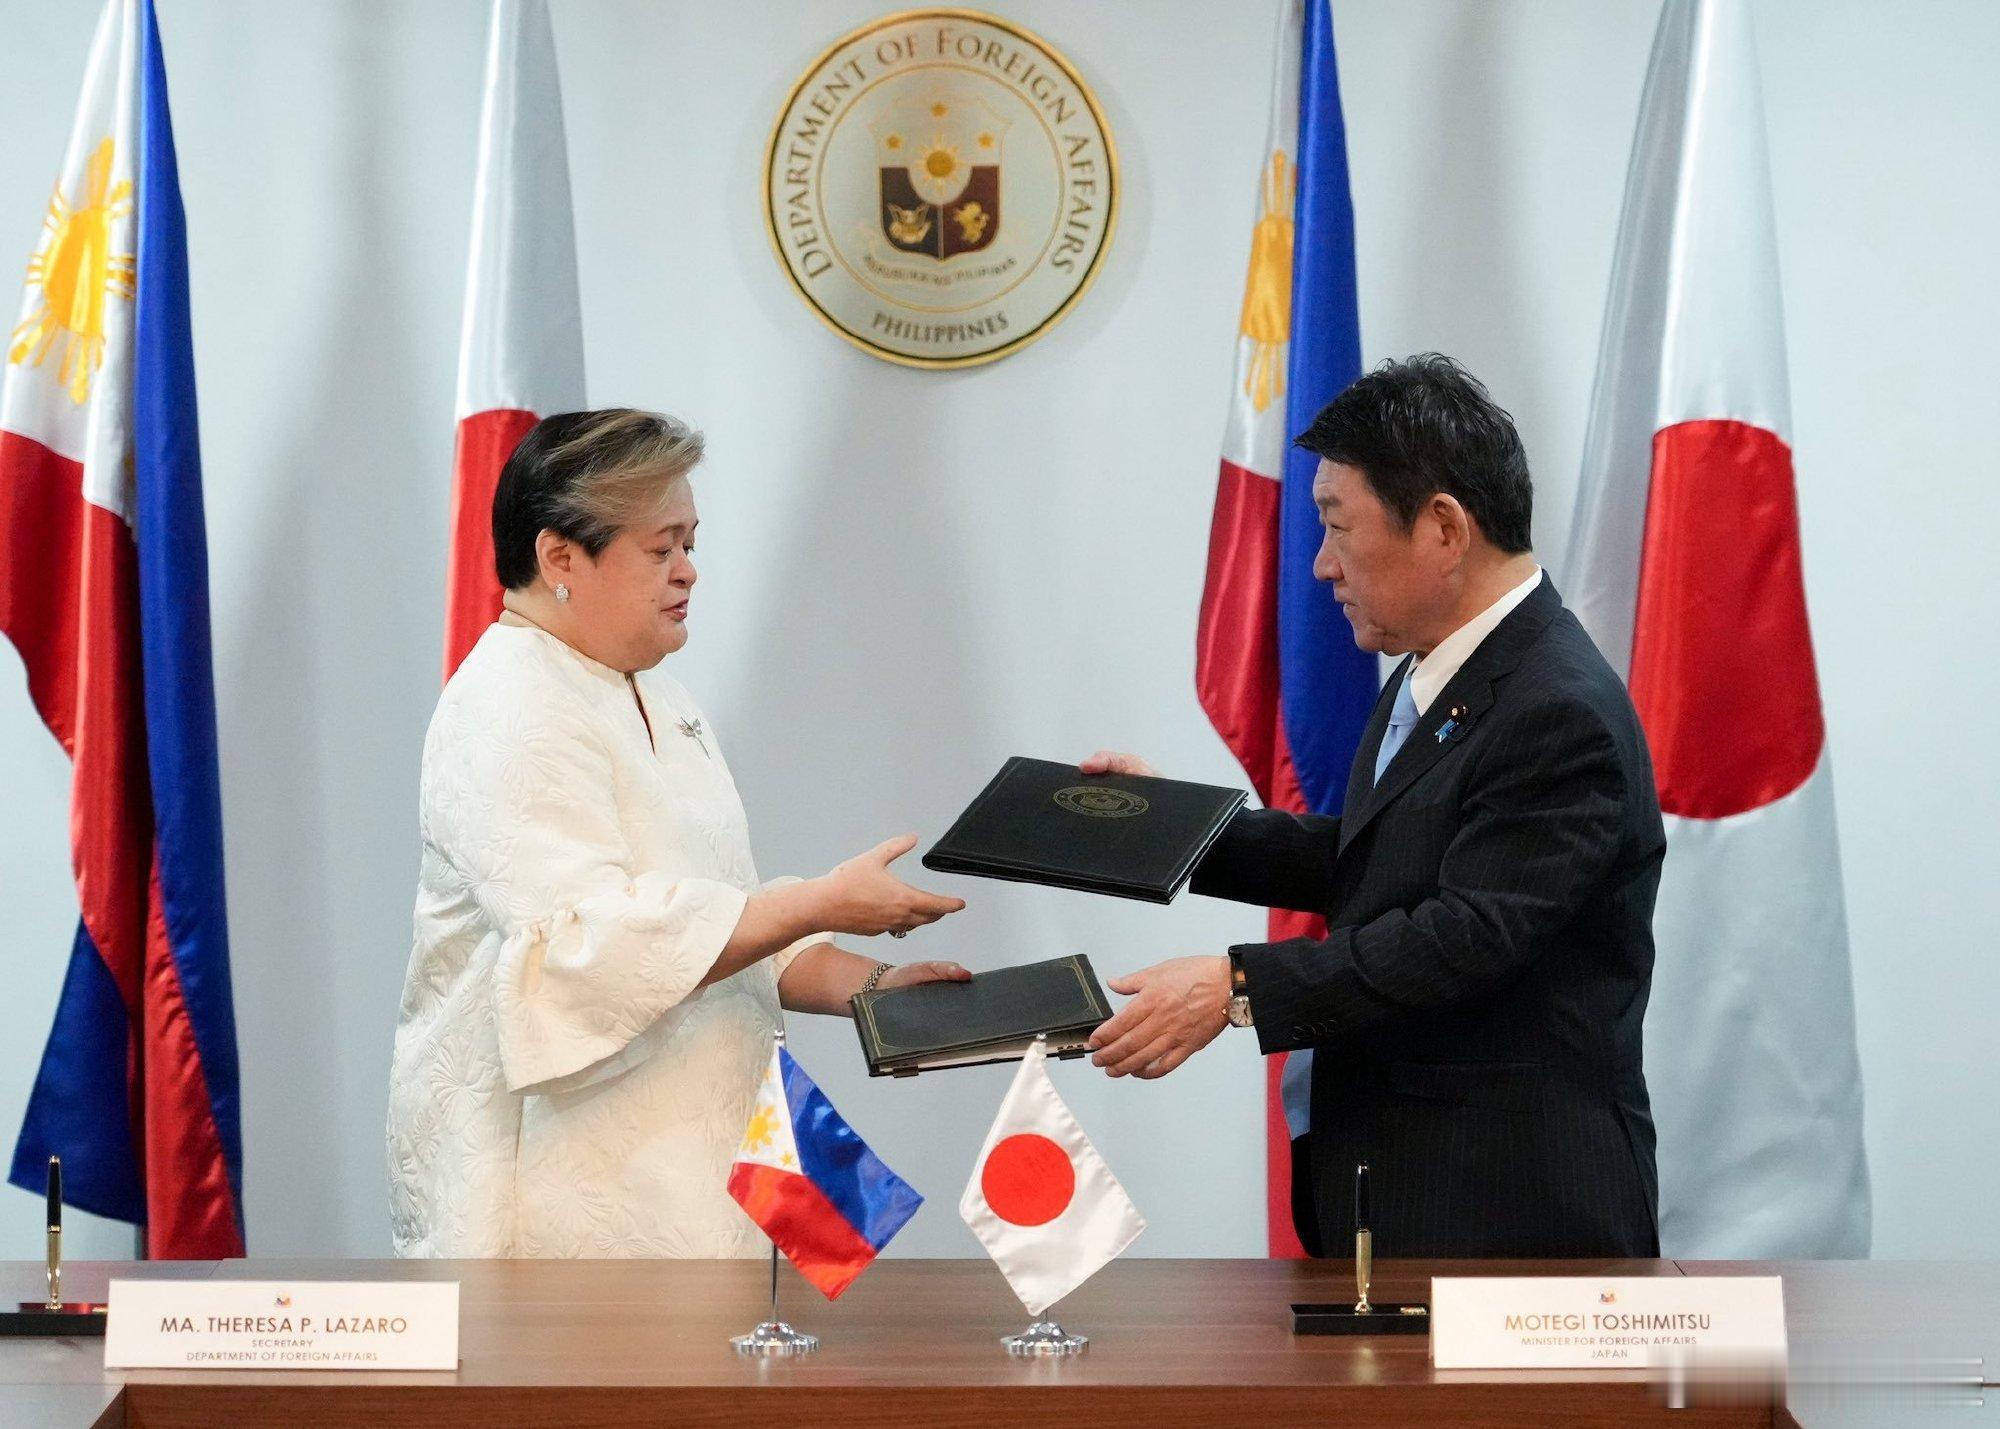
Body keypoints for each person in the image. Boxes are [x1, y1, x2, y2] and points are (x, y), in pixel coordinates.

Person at [1084, 355, 1665, 1257]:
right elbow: (1381, 854)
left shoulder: (1558, 707)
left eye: (1335, 526)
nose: (1320, 566)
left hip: (1507, 1217)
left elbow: (1465, 935)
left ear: (1443, 528)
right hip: (1408, 1190)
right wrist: (1178, 829)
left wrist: (1237, 986)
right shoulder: (1441, 668)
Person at [388, 408, 966, 1257]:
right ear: (560, 558)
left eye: (690, 544)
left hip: (710, 1159)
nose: (689, 570)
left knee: (816, 1337)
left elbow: (722, 920)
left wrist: (878, 988)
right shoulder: (507, 704)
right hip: (570, 1191)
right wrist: (819, 901)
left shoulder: (656, 690)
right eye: (662, 550)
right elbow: (594, 948)